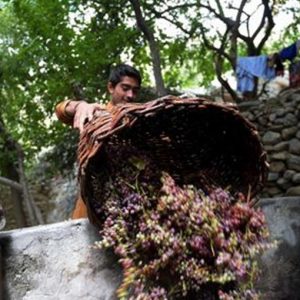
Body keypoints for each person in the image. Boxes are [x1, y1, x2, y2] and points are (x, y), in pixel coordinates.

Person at [55, 63, 142, 218]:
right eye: (125, 88)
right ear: (111, 87)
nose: (130, 95)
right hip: (93, 211)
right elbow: (61, 110)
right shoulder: (95, 114)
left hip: (130, 208)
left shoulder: (139, 122)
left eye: (135, 91)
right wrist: (79, 106)